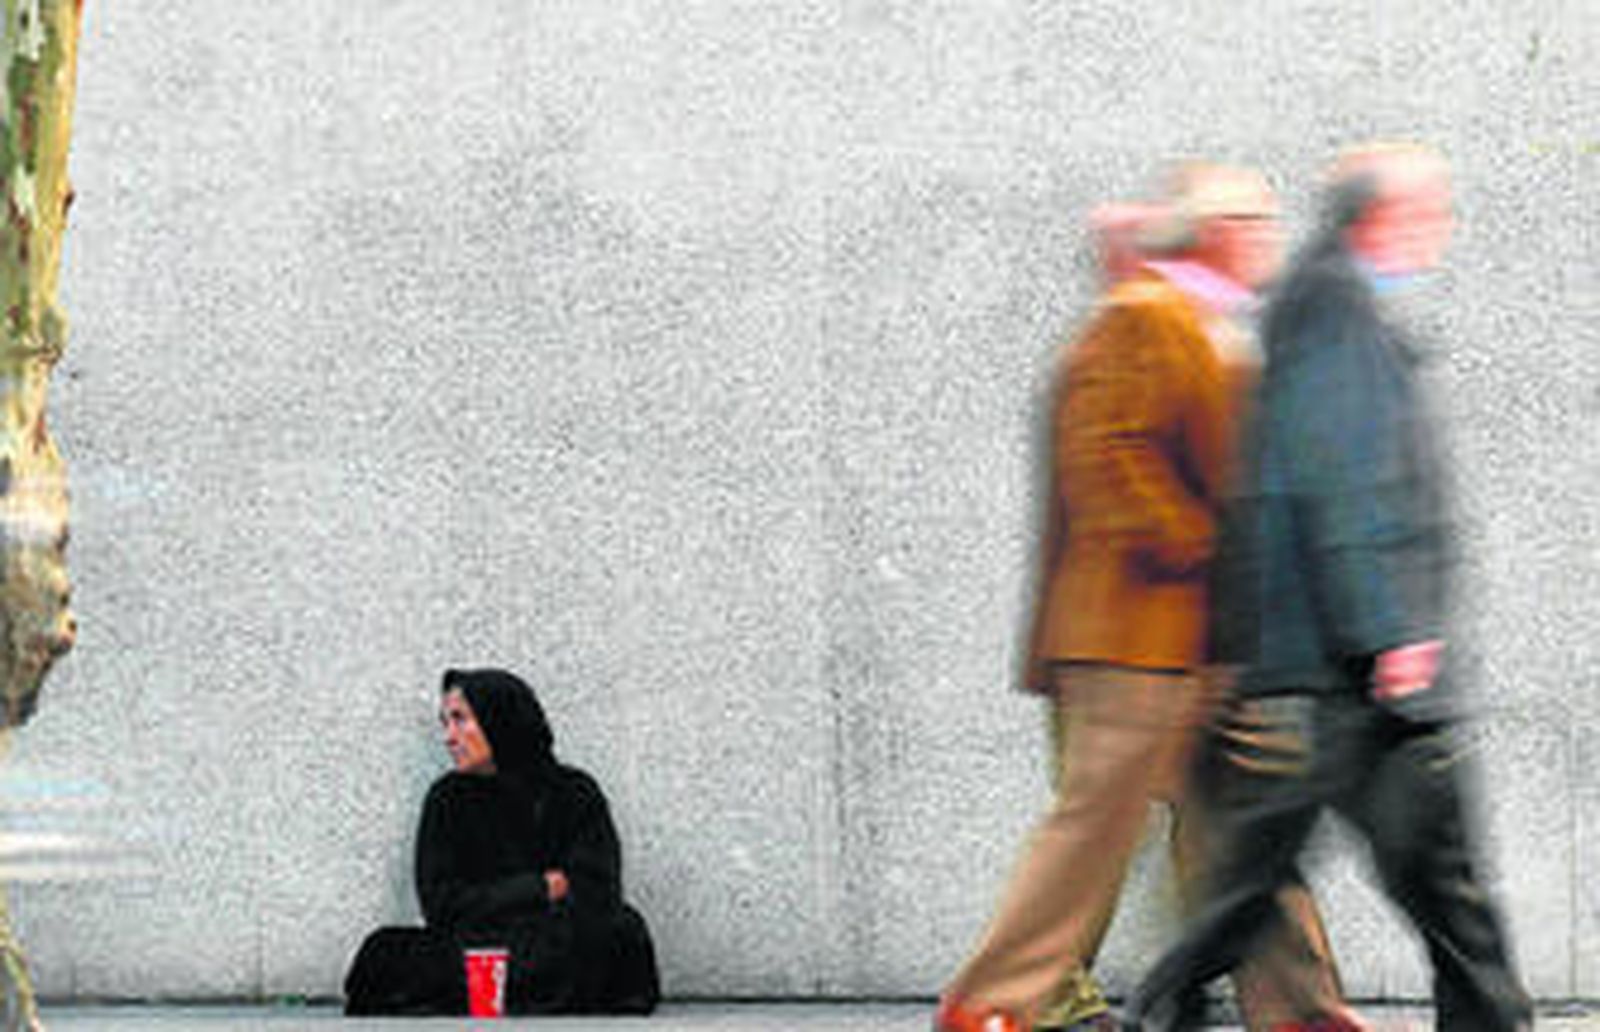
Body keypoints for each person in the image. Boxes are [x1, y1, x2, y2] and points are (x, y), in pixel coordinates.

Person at [1119, 144, 1533, 1032]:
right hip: (1355, 670)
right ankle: (1161, 1006)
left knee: (1298, 878)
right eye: (1430, 210)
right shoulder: (1333, 305)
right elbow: (1342, 477)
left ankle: (1163, 1003)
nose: (1442, 228)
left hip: (1339, 672)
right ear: (1381, 217)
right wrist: (1392, 630)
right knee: (1434, 894)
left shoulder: (1327, 300)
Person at [936, 166, 1358, 1032]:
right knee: (1093, 829)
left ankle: (1303, 1011)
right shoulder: (1140, 318)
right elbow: (1111, 464)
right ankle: (993, 1000)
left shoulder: (1213, 324)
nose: (1270, 232)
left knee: (1245, 825)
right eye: (1254, 218)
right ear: (1213, 230)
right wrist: (1205, 546)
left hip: (1203, 642)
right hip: (1139, 640)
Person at [344, 667, 660, 1016]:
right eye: (445, 723)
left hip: (551, 940)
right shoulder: (446, 798)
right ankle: (524, 989)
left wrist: (497, 901)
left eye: (461, 720)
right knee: (383, 951)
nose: (449, 736)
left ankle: (497, 990)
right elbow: (441, 905)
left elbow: (597, 889)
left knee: (622, 931)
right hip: (477, 945)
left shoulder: (573, 791)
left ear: (501, 720)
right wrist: (539, 887)